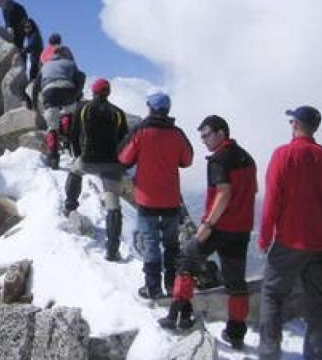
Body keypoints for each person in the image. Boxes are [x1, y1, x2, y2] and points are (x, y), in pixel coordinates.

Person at [158, 115, 256, 348]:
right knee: (236, 283)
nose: (203, 140)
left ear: (221, 132)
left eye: (206, 135)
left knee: (186, 259)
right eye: (201, 136)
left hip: (219, 226)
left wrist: (208, 225)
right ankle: (236, 332)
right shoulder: (247, 158)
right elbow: (254, 189)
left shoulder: (219, 160)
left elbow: (223, 192)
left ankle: (177, 316)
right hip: (242, 229)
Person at [258, 106, 322, 360]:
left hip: (289, 241)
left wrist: (265, 237)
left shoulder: (283, 155)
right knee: (317, 305)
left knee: (273, 295)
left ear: (295, 124)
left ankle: (268, 353)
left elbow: (272, 200)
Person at [118, 91, 194, 300]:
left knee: (151, 242)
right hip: (170, 198)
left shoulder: (142, 131)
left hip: (147, 197)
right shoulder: (177, 134)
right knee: (171, 244)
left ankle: (152, 288)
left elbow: (124, 158)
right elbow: (187, 160)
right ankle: (171, 286)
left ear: (150, 108)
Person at [64, 79, 129, 261]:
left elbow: (75, 134)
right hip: (111, 164)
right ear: (108, 93)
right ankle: (112, 249)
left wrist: (78, 155)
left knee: (74, 171)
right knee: (113, 206)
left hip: (88, 160)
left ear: (92, 91)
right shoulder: (118, 113)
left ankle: (70, 206)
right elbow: (124, 140)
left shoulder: (84, 108)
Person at [38, 48, 84, 169]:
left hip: (49, 93)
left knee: (52, 127)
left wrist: (34, 103)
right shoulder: (71, 64)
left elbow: (36, 85)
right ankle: (66, 135)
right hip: (67, 91)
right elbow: (81, 77)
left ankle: (53, 156)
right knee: (67, 112)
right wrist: (77, 94)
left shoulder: (45, 66)